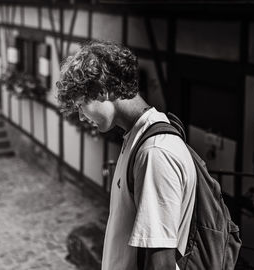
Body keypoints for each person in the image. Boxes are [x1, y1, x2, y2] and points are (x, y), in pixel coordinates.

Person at [56, 40, 197, 270]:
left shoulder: (154, 152)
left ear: (103, 90)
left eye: (81, 105)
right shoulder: (138, 137)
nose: (81, 117)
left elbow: (161, 264)